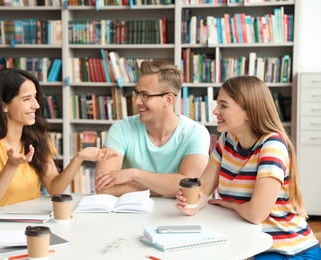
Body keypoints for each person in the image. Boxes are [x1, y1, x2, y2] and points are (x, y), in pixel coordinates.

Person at [176, 75, 321, 259]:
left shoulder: (272, 145)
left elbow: (255, 214)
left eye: (223, 105)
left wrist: (231, 205)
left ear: (249, 112)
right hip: (250, 241)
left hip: (287, 249)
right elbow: (203, 190)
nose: (215, 111)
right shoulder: (227, 140)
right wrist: (193, 204)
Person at [0, 68, 117, 224]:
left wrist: (79, 158)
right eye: (26, 99)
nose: (36, 105)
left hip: (23, 226)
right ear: (4, 106)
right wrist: (11, 166)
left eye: (35, 97)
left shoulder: (35, 139)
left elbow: (54, 189)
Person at [95, 60, 210, 197]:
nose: (137, 101)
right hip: (130, 215)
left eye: (145, 95)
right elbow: (103, 188)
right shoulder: (121, 128)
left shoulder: (196, 133)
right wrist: (167, 187)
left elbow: (191, 188)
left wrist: (133, 174)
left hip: (176, 215)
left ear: (169, 100)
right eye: (137, 93)